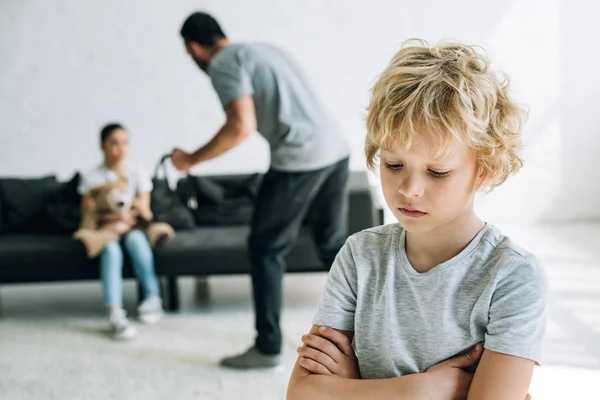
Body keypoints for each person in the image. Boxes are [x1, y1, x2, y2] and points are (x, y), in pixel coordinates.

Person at [287, 40, 548, 400]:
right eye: (394, 165)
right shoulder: (359, 255)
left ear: (484, 170)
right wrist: (417, 390)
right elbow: (301, 393)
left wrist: (353, 388)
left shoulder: (513, 276)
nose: (409, 189)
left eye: (437, 172)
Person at [171, 12, 351, 368]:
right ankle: (382, 330)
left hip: (301, 159)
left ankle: (267, 347)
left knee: (265, 248)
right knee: (332, 245)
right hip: (337, 150)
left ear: (194, 48)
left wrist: (191, 159)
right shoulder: (262, 50)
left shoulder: (223, 63)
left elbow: (241, 126)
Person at [78, 123, 165, 340]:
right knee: (111, 251)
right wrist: (114, 221)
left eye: (125, 142)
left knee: (136, 241)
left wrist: (124, 222)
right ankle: (114, 312)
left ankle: (152, 298)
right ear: (102, 146)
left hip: (132, 227)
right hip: (105, 231)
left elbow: (144, 211)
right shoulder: (91, 178)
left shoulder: (137, 174)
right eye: (114, 143)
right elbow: (89, 215)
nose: (121, 148)